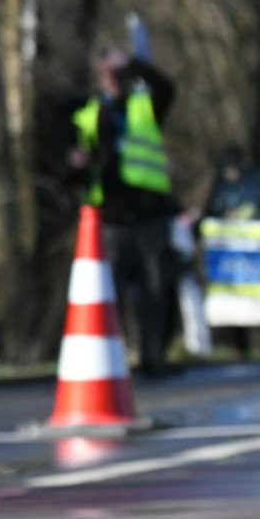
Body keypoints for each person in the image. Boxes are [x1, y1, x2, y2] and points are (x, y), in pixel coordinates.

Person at [69, 52, 181, 378]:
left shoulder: (145, 106)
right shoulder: (91, 114)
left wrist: (134, 62)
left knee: (155, 290)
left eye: (119, 75)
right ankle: (111, 360)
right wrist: (75, 165)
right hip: (111, 217)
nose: (114, 81)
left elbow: (167, 87)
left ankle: (153, 357)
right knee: (109, 293)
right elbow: (77, 164)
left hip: (149, 213)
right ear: (100, 78)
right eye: (108, 75)